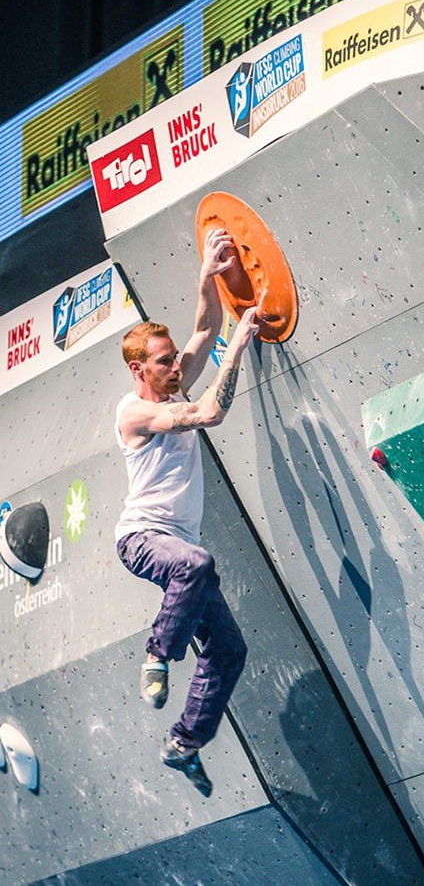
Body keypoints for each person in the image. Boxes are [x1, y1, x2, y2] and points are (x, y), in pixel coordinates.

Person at [114, 228, 259, 796]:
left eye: (175, 360)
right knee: (195, 564)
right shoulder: (136, 414)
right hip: (144, 538)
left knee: (229, 650)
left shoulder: (171, 384)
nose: (176, 366)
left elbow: (205, 327)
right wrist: (238, 349)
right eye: (164, 363)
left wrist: (208, 276)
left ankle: (185, 744)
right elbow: (209, 414)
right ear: (138, 371)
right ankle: (157, 654)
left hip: (179, 549)